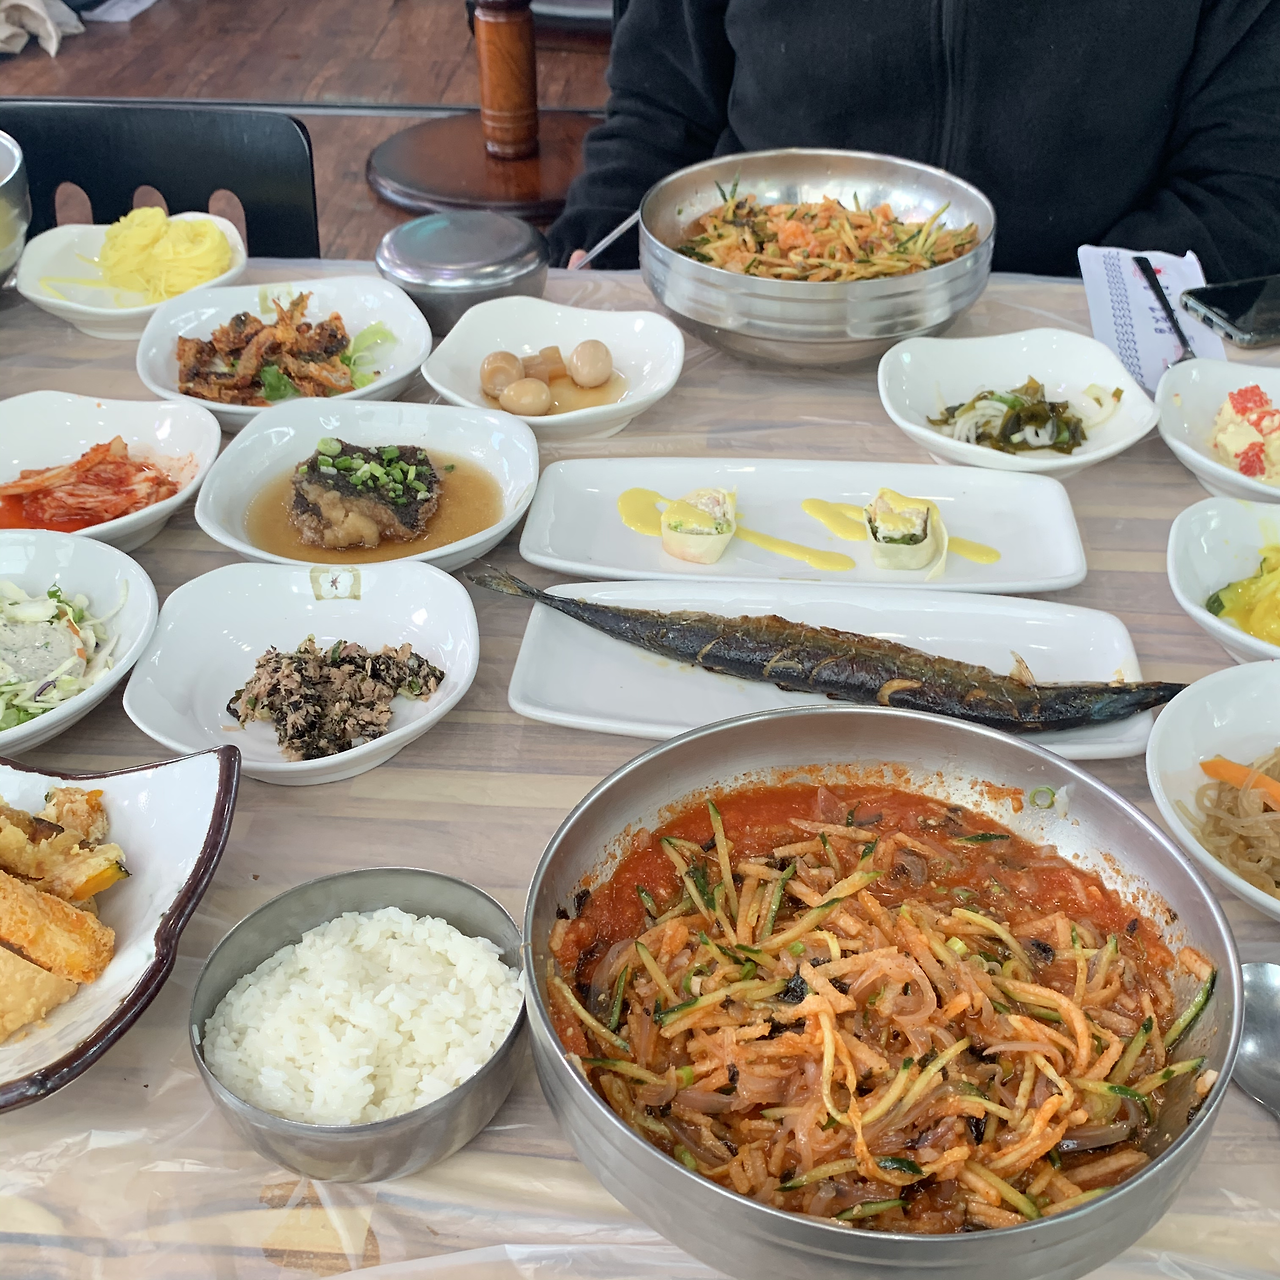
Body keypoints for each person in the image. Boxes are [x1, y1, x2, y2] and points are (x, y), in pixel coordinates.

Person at [547, 0, 1280, 281]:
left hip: (1079, 342)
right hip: (752, 316)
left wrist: (1087, 321)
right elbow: (662, 106)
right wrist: (595, 260)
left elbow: (1245, 187)